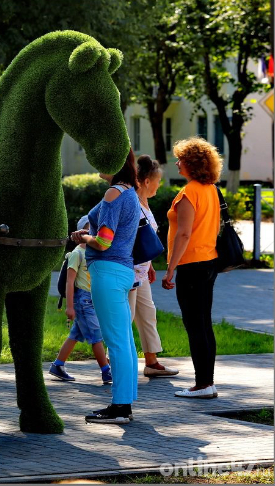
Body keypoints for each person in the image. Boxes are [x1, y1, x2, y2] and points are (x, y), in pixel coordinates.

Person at [71, 148, 140, 424]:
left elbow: (103, 241)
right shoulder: (131, 192)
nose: (97, 161)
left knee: (117, 342)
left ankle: (120, 407)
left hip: (107, 271)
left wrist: (84, 238)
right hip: (122, 271)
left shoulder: (113, 194)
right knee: (125, 341)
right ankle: (126, 402)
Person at [162, 137, 222, 399]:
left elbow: (183, 234)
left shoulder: (189, 193)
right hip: (208, 261)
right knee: (204, 323)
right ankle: (207, 382)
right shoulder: (210, 189)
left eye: (181, 159)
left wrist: (170, 269)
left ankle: (203, 385)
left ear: (191, 163)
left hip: (191, 264)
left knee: (195, 325)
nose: (177, 163)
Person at [130, 155, 179, 378]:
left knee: (148, 314)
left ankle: (151, 362)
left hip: (141, 271)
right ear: (147, 181)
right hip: (129, 272)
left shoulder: (144, 203)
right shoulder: (131, 201)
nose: (159, 185)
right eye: (158, 181)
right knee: (126, 317)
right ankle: (112, 365)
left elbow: (144, 238)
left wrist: (148, 264)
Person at [49, 215, 112, 384]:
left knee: (75, 334)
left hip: (92, 299)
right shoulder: (77, 253)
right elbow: (70, 282)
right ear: (80, 232)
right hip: (82, 301)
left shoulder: (94, 251)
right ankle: (106, 371)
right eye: (89, 229)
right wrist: (70, 307)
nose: (93, 232)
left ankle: (58, 365)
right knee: (96, 336)